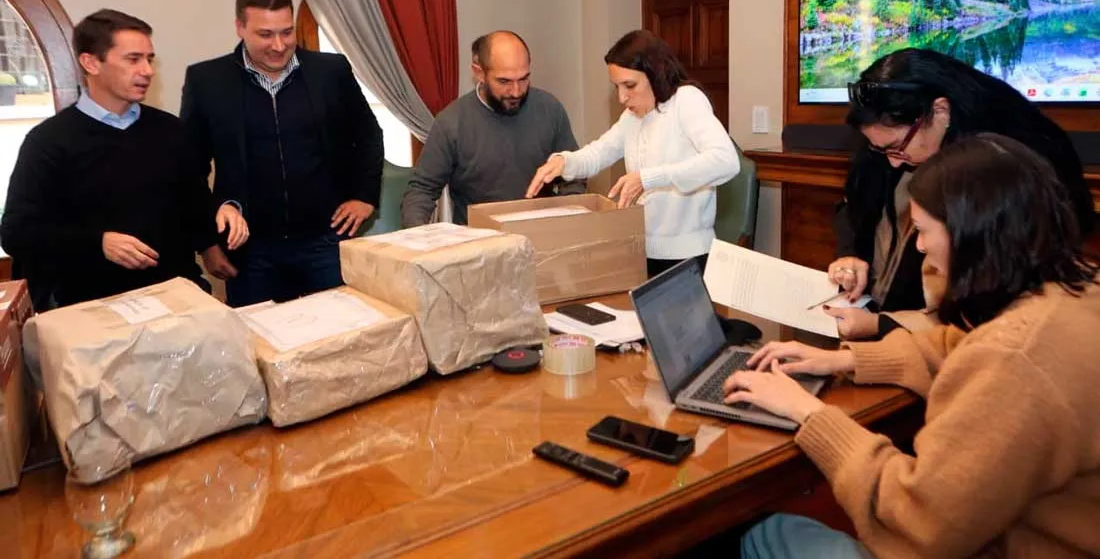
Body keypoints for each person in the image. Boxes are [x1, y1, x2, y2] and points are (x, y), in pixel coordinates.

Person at [725, 134, 1100, 559]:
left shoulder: (1013, 360)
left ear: (971, 234)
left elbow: (917, 521)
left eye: (922, 231)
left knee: (763, 532)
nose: (920, 247)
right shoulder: (1074, 292)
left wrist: (807, 412)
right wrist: (842, 359)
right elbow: (958, 347)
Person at [826, 47, 1092, 340]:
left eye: (896, 148)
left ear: (940, 111)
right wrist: (850, 254)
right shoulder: (894, 136)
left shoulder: (1002, 168)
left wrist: (883, 325)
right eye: (879, 149)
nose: (892, 162)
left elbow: (982, 318)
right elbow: (854, 203)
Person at [0, 10, 231, 308]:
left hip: (176, 295)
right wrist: (98, 243)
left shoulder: (170, 130)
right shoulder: (48, 141)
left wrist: (210, 244)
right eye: (133, 59)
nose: (147, 71)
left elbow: (194, 201)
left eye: (149, 59)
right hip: (91, 308)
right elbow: (17, 233)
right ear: (91, 63)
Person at [181, 0, 383, 307]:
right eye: (265, 34)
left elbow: (368, 134)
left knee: (339, 328)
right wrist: (207, 242)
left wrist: (364, 196)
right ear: (240, 27)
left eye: (287, 32)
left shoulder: (330, 71)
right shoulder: (207, 81)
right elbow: (189, 168)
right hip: (250, 250)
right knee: (258, 335)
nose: (278, 45)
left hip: (325, 240)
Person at [526, 29, 739, 277]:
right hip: (641, 251)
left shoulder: (686, 100)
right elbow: (599, 152)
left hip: (689, 258)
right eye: (616, 87)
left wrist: (648, 178)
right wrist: (564, 161)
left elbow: (726, 161)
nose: (622, 97)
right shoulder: (633, 116)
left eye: (630, 85)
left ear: (655, 73)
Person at [400, 31, 585, 226]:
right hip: (479, 239)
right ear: (479, 73)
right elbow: (421, 191)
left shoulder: (549, 109)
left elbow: (574, 174)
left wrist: (567, 220)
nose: (516, 92)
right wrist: (419, 233)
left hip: (540, 232)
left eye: (523, 79)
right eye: (504, 81)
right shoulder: (451, 122)